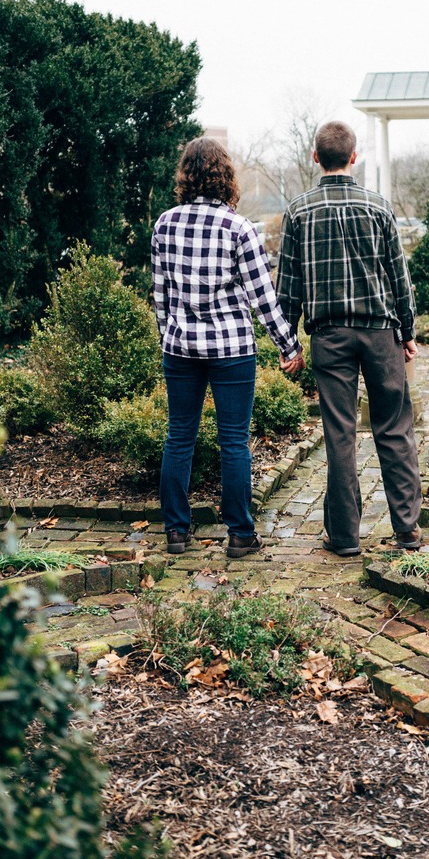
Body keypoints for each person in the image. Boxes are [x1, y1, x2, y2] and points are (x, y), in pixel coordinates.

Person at [151, 138, 303, 557]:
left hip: (180, 348)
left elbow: (160, 297)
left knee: (179, 437)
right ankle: (239, 535)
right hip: (232, 348)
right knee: (233, 441)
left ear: (185, 176)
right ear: (226, 177)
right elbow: (263, 298)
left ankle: (176, 533)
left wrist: (170, 336)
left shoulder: (164, 224)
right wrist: (289, 346)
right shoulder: (240, 229)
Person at [276, 121, 422, 557]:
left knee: (339, 433)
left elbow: (288, 287)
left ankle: (343, 537)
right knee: (394, 428)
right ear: (354, 157)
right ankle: (408, 529)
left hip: (329, 336)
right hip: (380, 334)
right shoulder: (379, 208)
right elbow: (400, 278)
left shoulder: (299, 212)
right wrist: (408, 332)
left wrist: (289, 343)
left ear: (316, 157)